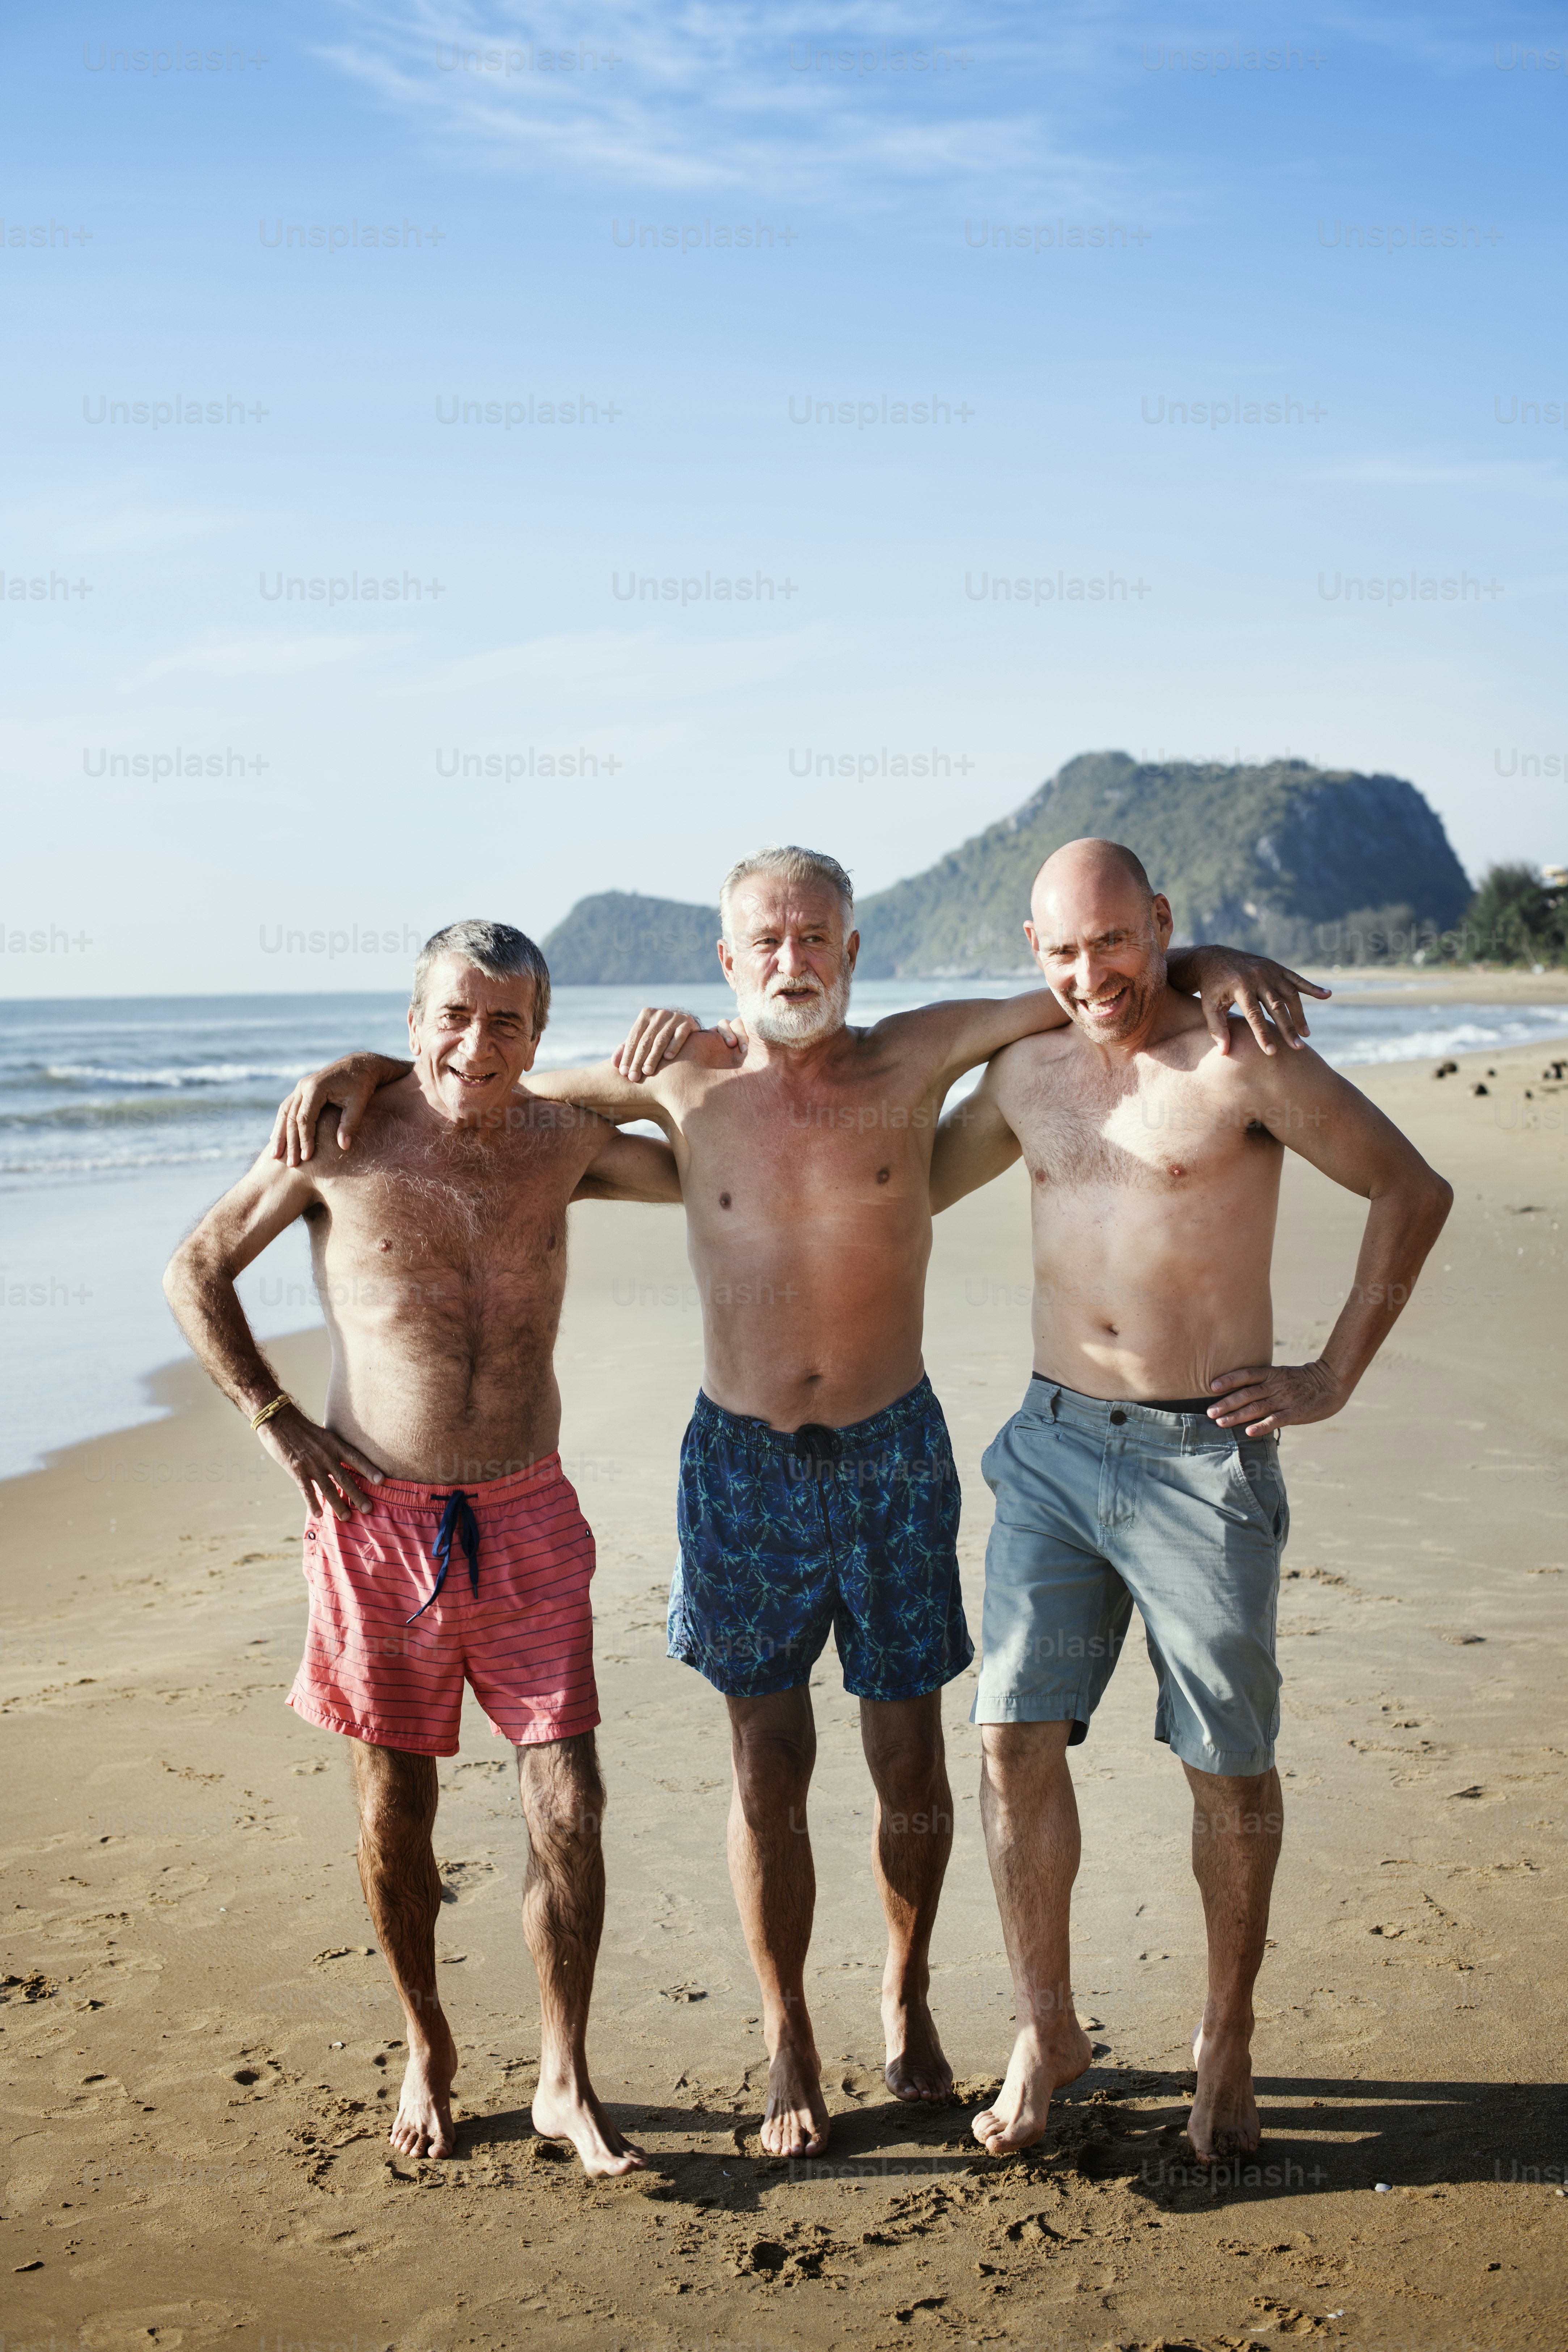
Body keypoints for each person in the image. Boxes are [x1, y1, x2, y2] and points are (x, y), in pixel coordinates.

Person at [271, 846, 1318, 2159]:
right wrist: (358, 1069)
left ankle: (907, 1989)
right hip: (743, 1462)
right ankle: (788, 2036)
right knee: (767, 1765)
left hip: (894, 1450)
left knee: (909, 1762)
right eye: (765, 940)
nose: (791, 960)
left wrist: (1208, 961)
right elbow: (485, 1076)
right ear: (727, 962)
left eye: (815, 937)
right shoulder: (678, 1074)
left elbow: (1085, 979)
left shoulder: (916, 1056)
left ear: (853, 950)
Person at [927, 839, 1452, 2162]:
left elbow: (1412, 1187)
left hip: (1198, 1457)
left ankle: (1227, 2039)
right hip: (1049, 1443)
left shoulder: (1241, 1059)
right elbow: (888, 1174)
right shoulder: (1023, 1074)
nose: (1090, 973)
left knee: (1225, 1761)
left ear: (1159, 922)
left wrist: (1331, 1373)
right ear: (1032, 954)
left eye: (1116, 941)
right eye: (1061, 951)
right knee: (1009, 1737)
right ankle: (1046, 2027)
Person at [164, 921, 681, 2177]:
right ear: (413, 1024)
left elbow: (706, 1150)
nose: (475, 1042)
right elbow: (196, 1267)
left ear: (540, 1035)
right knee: (398, 1806)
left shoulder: (565, 1146)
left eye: (508, 1021)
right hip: (373, 1523)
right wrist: (279, 1421)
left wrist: (634, 1074)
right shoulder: (338, 1139)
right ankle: (427, 2043)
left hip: (528, 1511)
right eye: (452, 1015)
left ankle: (563, 2072)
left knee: (571, 1798)